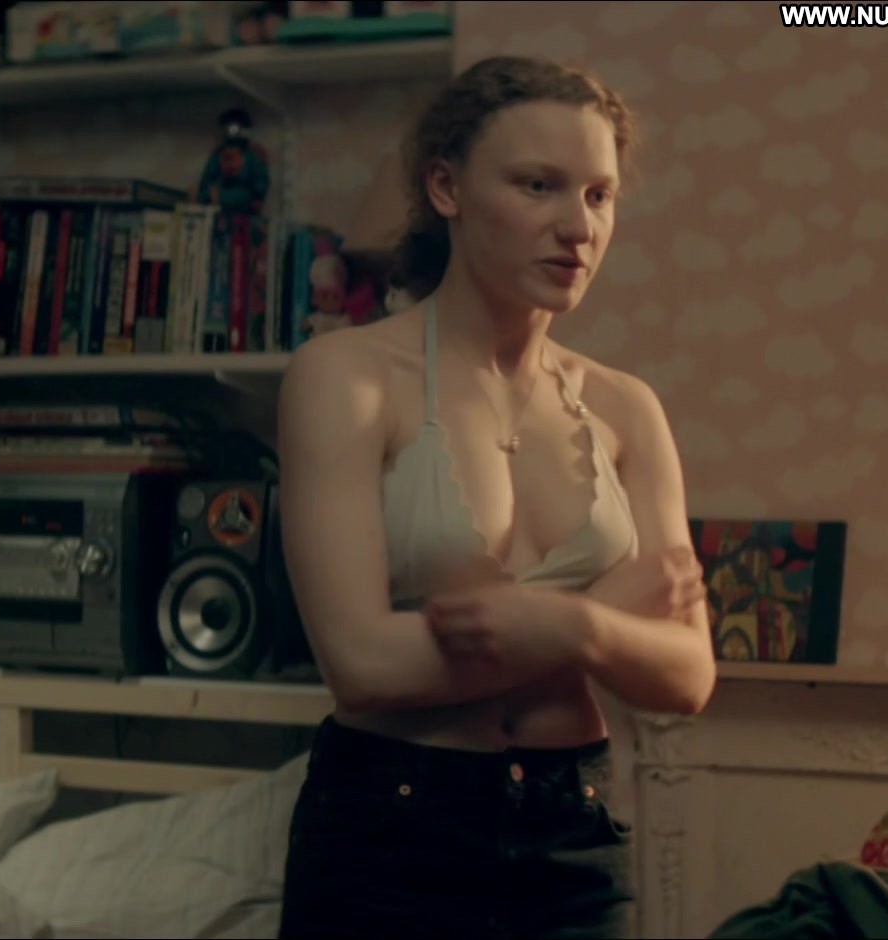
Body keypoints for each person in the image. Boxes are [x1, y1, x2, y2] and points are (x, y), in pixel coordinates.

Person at [274, 55, 719, 940]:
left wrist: (575, 627)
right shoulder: (345, 377)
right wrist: (602, 621)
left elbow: (688, 674)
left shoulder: (626, 408)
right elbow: (361, 665)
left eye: (599, 195)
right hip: (387, 830)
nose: (578, 227)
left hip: (574, 836)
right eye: (538, 186)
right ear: (447, 188)